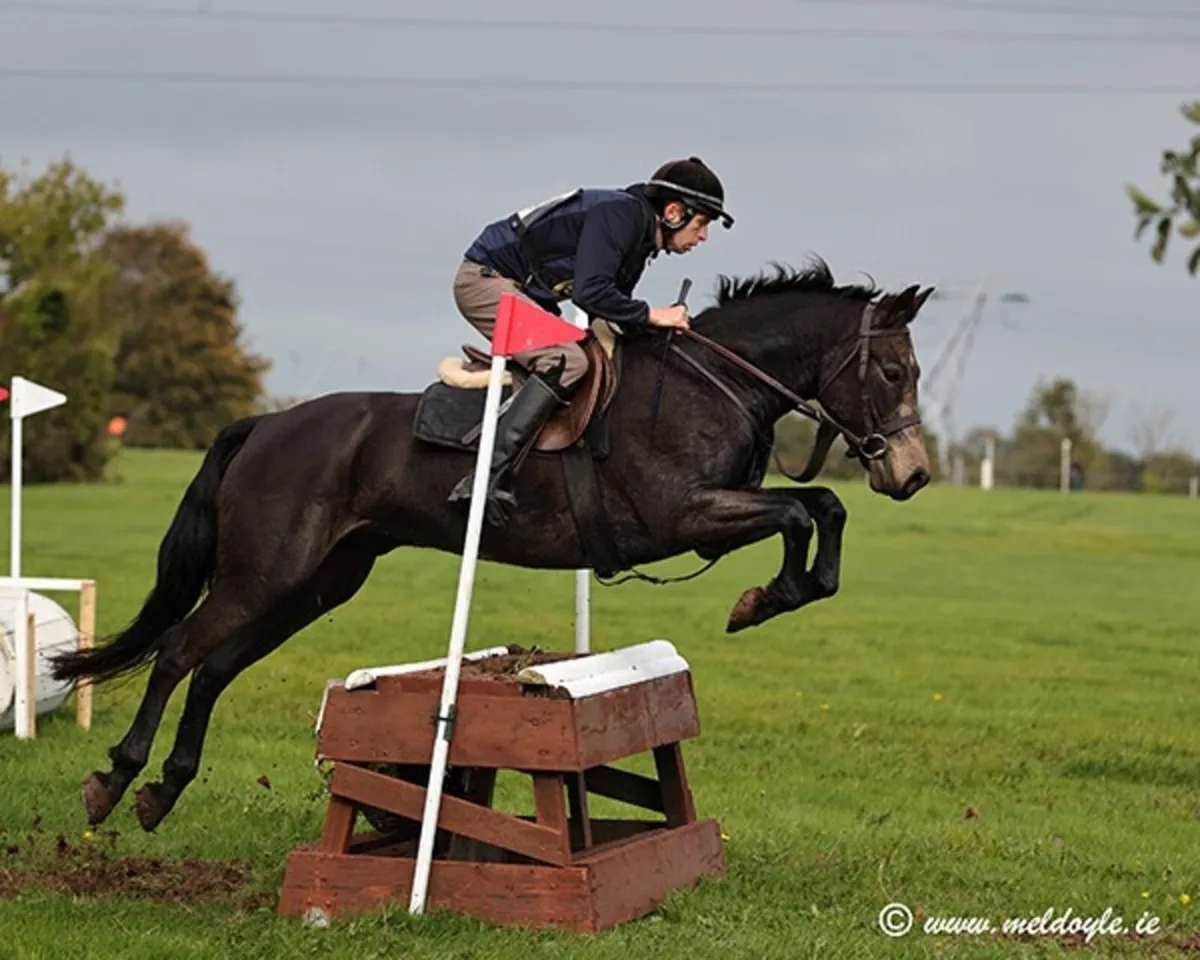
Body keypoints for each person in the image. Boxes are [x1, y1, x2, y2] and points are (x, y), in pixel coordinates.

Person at [447, 155, 734, 524]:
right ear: (674, 212)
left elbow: (611, 313)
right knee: (567, 360)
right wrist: (654, 314)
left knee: (594, 354)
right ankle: (484, 477)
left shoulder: (638, 235)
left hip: (522, 290)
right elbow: (591, 293)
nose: (703, 237)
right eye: (702, 224)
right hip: (485, 280)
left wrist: (656, 329)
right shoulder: (623, 216)